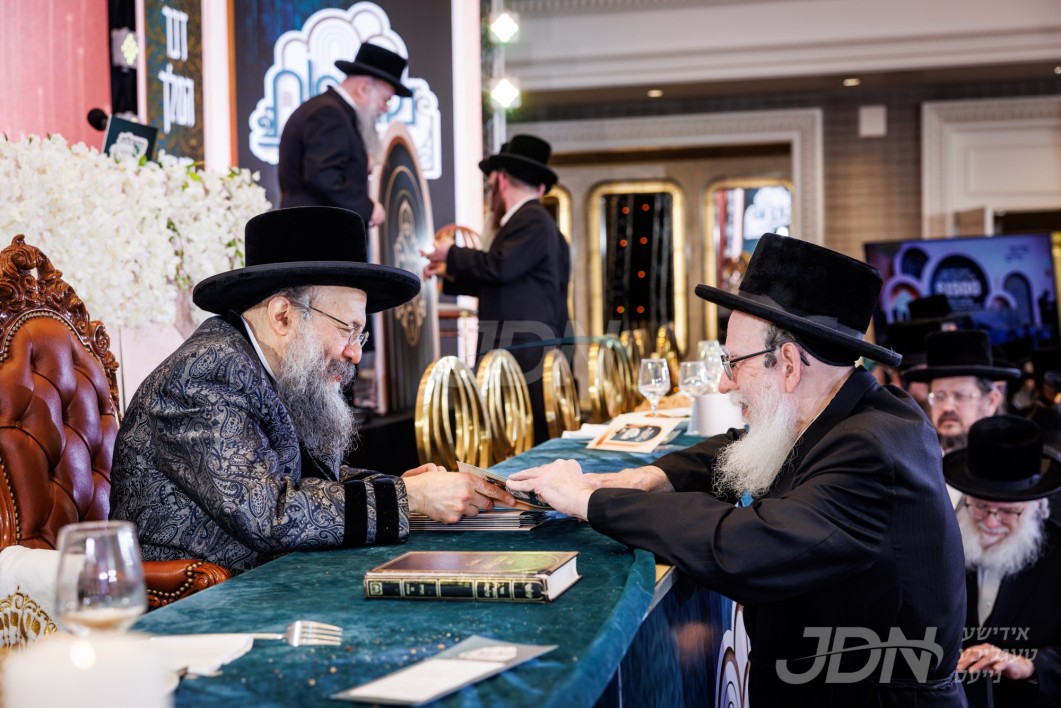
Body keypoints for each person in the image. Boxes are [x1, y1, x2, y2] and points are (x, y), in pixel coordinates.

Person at [508, 233, 967, 705]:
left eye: (732, 363)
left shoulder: (871, 450)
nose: (725, 384)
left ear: (788, 364)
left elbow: (745, 546)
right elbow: (737, 448)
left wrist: (590, 501)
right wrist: (648, 477)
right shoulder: (846, 412)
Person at [110, 207, 514, 574]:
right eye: (347, 329)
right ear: (283, 316)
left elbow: (305, 478)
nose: (355, 352)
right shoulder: (206, 373)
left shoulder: (268, 364)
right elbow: (269, 513)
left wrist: (402, 487)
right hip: (195, 607)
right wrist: (410, 497)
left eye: (360, 333)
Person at [421, 134, 571, 444]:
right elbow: (506, 282)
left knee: (520, 443)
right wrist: (449, 272)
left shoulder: (530, 219)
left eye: (489, 187)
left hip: (523, 354)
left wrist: (452, 252)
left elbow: (500, 266)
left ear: (500, 180)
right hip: (526, 352)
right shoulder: (537, 222)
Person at [946, 415, 1061, 708]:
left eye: (1008, 511)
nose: (991, 522)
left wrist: (1029, 665)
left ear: (1037, 508)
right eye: (980, 507)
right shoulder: (942, 545)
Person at [277, 43, 412, 228]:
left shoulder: (334, 111)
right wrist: (367, 208)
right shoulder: (329, 114)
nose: (385, 108)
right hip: (313, 233)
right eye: (386, 100)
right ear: (364, 89)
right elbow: (323, 176)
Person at [903, 329, 1021, 455]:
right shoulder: (915, 459)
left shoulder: (1012, 460)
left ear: (991, 401)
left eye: (960, 396)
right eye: (939, 396)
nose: (947, 407)